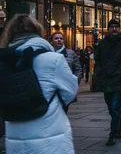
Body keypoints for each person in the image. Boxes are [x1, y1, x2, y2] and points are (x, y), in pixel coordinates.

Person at [0, 15, 78, 153]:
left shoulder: (5, 60)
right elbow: (70, 91)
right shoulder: (53, 59)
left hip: (15, 135)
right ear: (38, 31)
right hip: (49, 133)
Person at [94, 19, 121, 146]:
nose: (114, 29)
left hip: (118, 80)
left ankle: (113, 134)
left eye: (116, 26)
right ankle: (120, 126)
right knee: (111, 108)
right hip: (106, 79)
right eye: (112, 27)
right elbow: (97, 59)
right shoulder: (102, 44)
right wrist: (99, 71)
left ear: (119, 28)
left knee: (116, 108)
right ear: (108, 29)